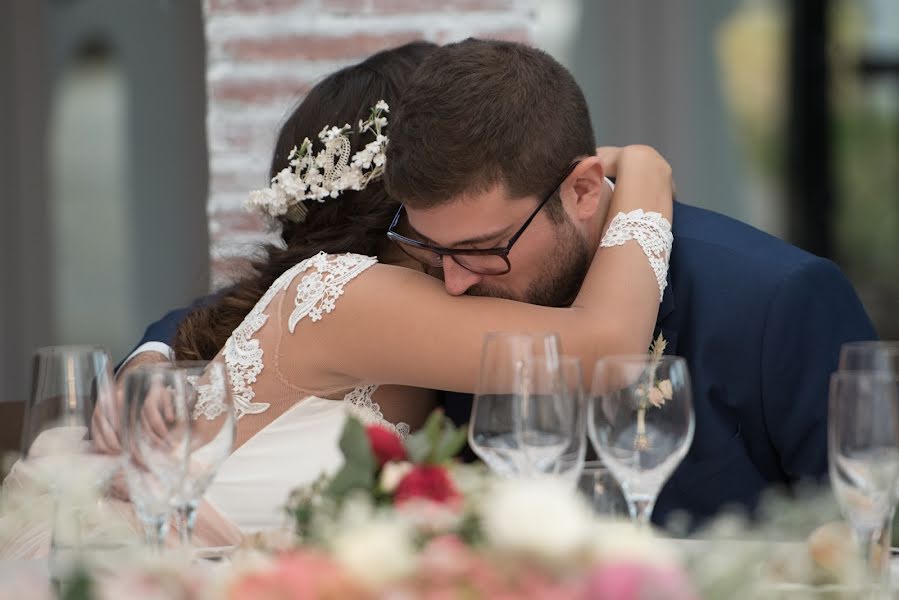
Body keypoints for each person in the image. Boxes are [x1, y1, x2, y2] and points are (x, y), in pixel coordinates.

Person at [97, 41, 676, 533]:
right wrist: (646, 169)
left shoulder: (330, 292)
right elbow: (604, 345)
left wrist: (153, 354)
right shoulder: (351, 295)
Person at [381, 38, 877, 528]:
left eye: (483, 249)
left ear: (583, 190)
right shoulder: (455, 308)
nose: (452, 283)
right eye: (431, 248)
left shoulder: (779, 299)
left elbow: (871, 536)